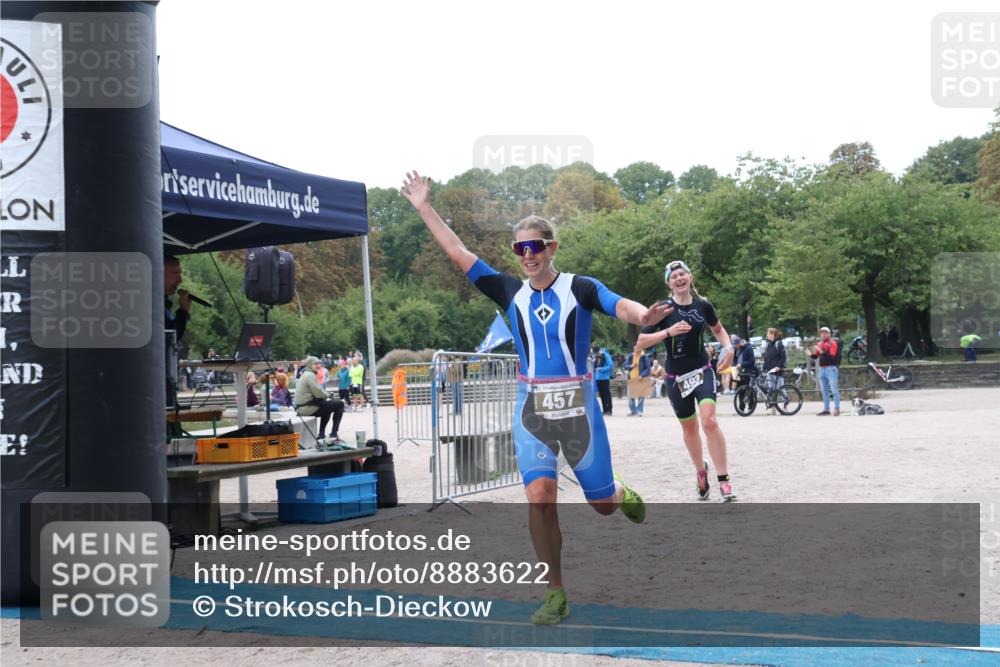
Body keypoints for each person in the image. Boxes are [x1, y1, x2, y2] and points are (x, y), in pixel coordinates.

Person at [402, 170, 670, 626]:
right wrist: (425, 207)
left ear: (551, 248)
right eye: (519, 249)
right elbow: (458, 253)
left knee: (600, 504)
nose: (528, 255)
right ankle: (555, 592)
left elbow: (621, 305)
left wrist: (645, 315)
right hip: (532, 408)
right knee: (540, 495)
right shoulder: (508, 291)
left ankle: (618, 492)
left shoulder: (580, 287)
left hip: (578, 406)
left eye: (535, 247)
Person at [637, 260, 737, 503]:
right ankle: (701, 472)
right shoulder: (662, 309)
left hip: (702, 371)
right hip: (675, 378)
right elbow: (641, 341)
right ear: (668, 283)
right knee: (690, 428)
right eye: (674, 276)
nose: (679, 278)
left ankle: (724, 480)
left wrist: (729, 347)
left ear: (690, 278)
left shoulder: (703, 305)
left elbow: (718, 329)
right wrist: (668, 332)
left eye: (683, 274)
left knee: (710, 422)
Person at [294, 356, 345, 440]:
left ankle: (321, 435)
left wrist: (326, 396)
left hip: (303, 407)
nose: (318, 366)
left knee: (328, 406)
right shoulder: (310, 375)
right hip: (307, 408)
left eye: (319, 363)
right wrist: (329, 395)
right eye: (315, 364)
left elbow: (317, 392)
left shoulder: (305, 374)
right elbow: (318, 392)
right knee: (340, 404)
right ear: (310, 365)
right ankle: (334, 434)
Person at [811, 326, 841, 416]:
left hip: (831, 368)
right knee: (824, 390)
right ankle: (826, 409)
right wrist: (811, 353)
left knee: (834, 389)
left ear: (829, 334)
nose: (823, 334)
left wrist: (822, 351)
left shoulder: (833, 343)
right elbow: (816, 356)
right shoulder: (820, 343)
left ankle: (837, 408)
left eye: (825, 333)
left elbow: (832, 356)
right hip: (822, 368)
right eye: (822, 333)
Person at [164, 255, 193, 341]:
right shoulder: (150, 304)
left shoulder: (162, 301)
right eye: (175, 273)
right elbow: (169, 340)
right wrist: (183, 312)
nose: (180, 280)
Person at [762, 327, 787, 414]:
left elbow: (783, 357)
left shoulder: (779, 344)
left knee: (781, 388)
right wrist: (764, 368)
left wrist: (779, 366)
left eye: (768, 333)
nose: (767, 335)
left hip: (777, 370)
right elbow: (766, 357)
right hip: (770, 370)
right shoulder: (769, 344)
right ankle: (773, 409)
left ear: (772, 334)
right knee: (771, 389)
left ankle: (785, 405)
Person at [624, 345, 652, 416]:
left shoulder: (644, 356)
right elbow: (625, 365)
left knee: (641, 396)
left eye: (638, 348)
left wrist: (642, 375)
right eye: (635, 348)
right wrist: (631, 366)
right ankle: (633, 411)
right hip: (631, 378)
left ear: (641, 348)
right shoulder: (631, 356)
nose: (636, 350)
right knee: (631, 396)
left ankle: (639, 411)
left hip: (641, 379)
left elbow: (648, 368)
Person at [592, 345, 614, 415]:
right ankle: (604, 410)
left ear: (599, 350)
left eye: (596, 352)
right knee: (601, 395)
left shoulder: (606, 355)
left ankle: (609, 410)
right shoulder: (595, 357)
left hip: (605, 378)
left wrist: (601, 369)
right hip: (597, 378)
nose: (595, 354)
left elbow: (610, 366)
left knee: (606, 394)